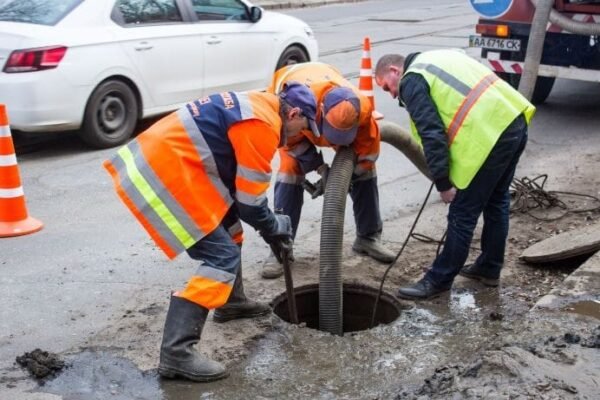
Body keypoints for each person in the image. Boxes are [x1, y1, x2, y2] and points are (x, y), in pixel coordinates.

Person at [103, 83, 320, 381]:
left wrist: (269, 225)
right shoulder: (262, 125)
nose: (301, 136)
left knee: (231, 233)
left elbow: (239, 189)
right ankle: (176, 353)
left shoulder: (259, 103)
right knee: (221, 257)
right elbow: (251, 205)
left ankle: (231, 302)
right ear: (293, 113)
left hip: (179, 167)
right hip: (166, 175)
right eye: (304, 127)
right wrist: (274, 229)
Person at [374, 49, 535, 300]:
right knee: (497, 201)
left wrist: (443, 183)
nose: (392, 94)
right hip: (513, 122)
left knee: (462, 212)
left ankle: (438, 280)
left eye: (387, 86)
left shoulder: (412, 80)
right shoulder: (435, 58)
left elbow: (432, 132)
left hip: (491, 137)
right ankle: (489, 268)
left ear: (395, 71)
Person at [260, 62, 396, 279]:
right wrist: (321, 168)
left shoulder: (360, 109)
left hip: (328, 108)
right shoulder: (289, 110)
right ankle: (281, 249)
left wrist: (346, 177)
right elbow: (292, 144)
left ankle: (368, 237)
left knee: (365, 169)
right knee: (290, 172)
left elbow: (368, 153)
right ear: (320, 112)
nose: (334, 142)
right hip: (298, 112)